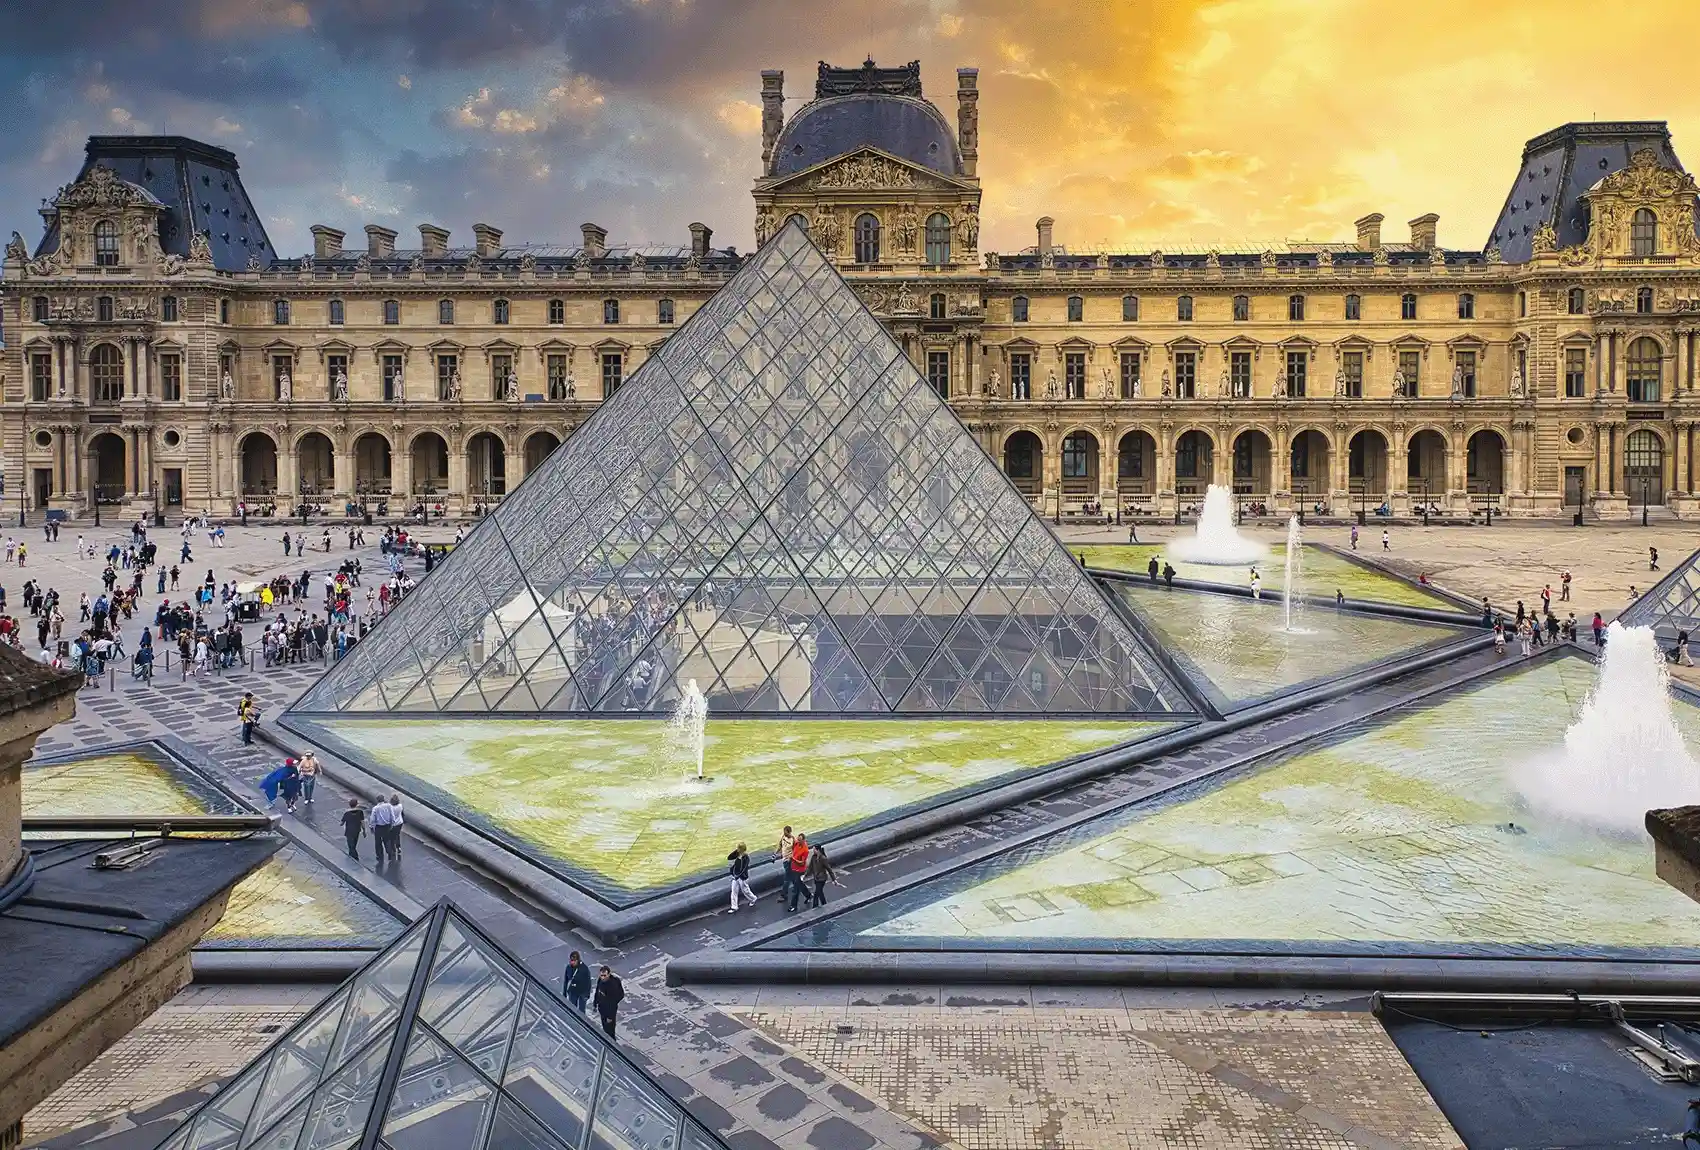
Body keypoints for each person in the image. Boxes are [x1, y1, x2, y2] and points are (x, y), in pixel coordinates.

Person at [804, 841, 839, 908]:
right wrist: (805, 875)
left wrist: (834, 879)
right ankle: (824, 904)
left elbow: (829, 869)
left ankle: (814, 907)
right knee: (820, 892)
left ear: (818, 850)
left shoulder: (823, 858)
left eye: (814, 849)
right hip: (816, 878)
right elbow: (810, 867)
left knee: (816, 893)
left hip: (822, 878)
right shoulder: (814, 857)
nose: (813, 851)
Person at [593, 966, 624, 1039]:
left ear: (609, 974)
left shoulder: (613, 984)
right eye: (601, 975)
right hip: (602, 1008)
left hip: (610, 1011)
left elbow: (615, 1001)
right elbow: (597, 992)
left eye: (604, 976)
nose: (603, 977)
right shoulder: (600, 980)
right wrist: (595, 1003)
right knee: (605, 1029)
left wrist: (610, 1017)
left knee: (610, 1031)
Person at [727, 842, 756, 912]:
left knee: (745, 890)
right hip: (735, 876)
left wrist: (737, 876)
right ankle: (734, 907)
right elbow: (729, 857)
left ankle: (753, 899)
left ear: (741, 849)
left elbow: (744, 869)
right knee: (734, 891)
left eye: (738, 848)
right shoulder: (737, 854)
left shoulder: (746, 858)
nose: (737, 849)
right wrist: (735, 851)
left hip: (742, 877)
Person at [785, 832, 811, 912]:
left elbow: (802, 863)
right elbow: (793, 841)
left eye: (800, 840)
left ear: (803, 840)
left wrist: (793, 859)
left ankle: (793, 906)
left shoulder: (805, 850)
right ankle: (808, 895)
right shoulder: (797, 843)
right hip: (794, 868)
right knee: (800, 884)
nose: (798, 841)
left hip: (799, 871)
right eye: (798, 839)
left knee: (795, 889)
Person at [368, 794, 395, 862]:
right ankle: (389, 853)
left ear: (377, 800)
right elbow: (392, 815)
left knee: (378, 842)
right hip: (387, 826)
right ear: (383, 799)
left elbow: (372, 819)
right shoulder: (389, 805)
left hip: (379, 827)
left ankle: (380, 856)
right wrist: (392, 824)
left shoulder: (375, 808)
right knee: (387, 840)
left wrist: (371, 827)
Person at [773, 826, 794, 904]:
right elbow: (780, 846)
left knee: (787, 879)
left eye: (785, 832)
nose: (784, 833)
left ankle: (784, 895)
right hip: (785, 860)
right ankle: (806, 893)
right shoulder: (783, 837)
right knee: (794, 878)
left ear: (789, 832)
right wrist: (775, 854)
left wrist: (792, 858)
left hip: (789, 861)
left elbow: (795, 850)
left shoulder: (793, 840)